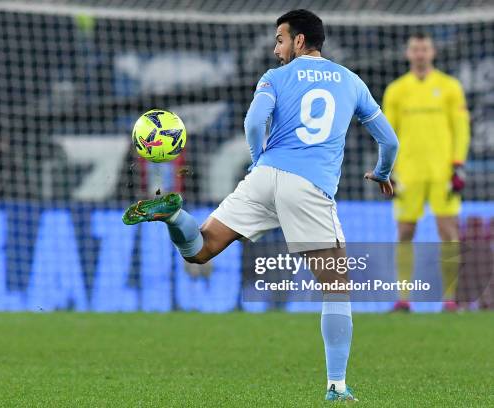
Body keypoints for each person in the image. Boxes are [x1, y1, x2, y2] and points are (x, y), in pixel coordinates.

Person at [123, 9, 398, 401]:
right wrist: (383, 172)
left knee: (201, 250)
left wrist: (257, 160)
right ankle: (336, 386)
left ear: (299, 40)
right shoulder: (351, 81)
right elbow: (389, 142)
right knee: (337, 287)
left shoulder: (274, 78)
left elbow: (254, 122)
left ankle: (173, 214)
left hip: (265, 175)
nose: (275, 49)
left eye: (280, 40)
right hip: (309, 185)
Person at [383, 32, 470, 312]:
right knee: (405, 231)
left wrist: (458, 165)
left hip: (442, 171)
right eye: (415, 50)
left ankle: (449, 298)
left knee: (448, 230)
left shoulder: (449, 87)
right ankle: (404, 298)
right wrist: (388, 172)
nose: (420, 54)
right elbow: (387, 134)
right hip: (407, 172)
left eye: (424, 49)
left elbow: (461, 129)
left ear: (432, 52)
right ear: (408, 54)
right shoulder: (396, 90)